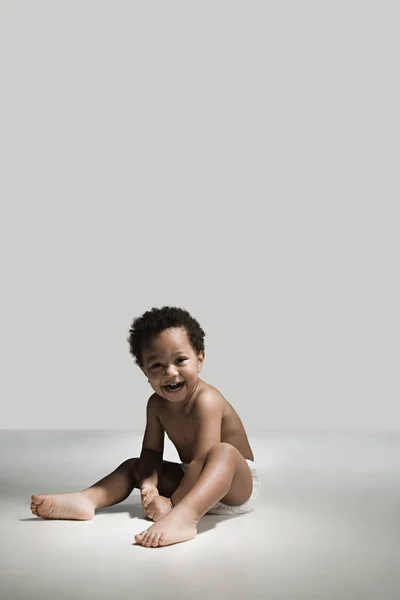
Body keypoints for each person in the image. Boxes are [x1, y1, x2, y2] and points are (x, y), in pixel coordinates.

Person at [30, 306, 261, 547]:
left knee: (222, 452)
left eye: (180, 360)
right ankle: (87, 499)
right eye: (156, 366)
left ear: (200, 359)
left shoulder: (207, 400)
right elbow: (151, 451)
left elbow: (203, 461)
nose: (170, 373)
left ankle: (184, 518)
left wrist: (171, 504)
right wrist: (150, 484)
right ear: (144, 371)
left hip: (232, 485)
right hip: (190, 478)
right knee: (135, 466)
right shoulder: (156, 405)